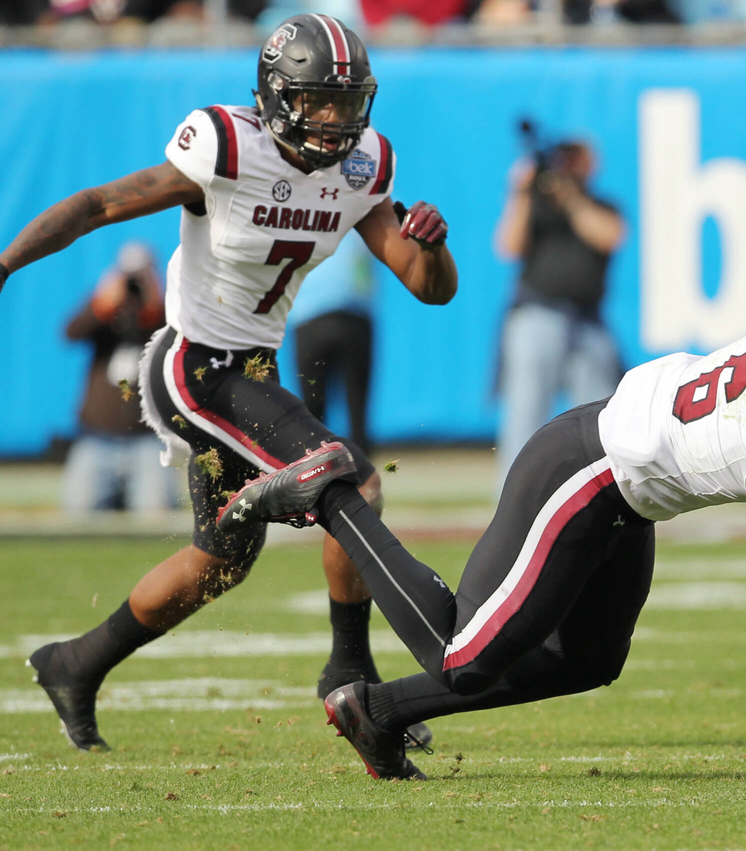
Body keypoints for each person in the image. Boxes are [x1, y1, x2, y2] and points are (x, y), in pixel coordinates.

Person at [217, 286, 746, 781]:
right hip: (586, 471)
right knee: (465, 656)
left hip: (630, 487)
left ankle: (379, 711)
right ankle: (335, 496)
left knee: (589, 659)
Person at [0, 13, 457, 751]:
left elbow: (428, 287)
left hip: (254, 369)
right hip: (193, 366)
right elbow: (97, 205)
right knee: (353, 481)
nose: (335, 119)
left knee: (221, 562)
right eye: (317, 100)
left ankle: (75, 664)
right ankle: (350, 674)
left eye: (347, 102)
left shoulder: (364, 166)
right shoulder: (226, 145)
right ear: (277, 96)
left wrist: (431, 246)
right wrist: (3, 265)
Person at [493, 137, 625, 492]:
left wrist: (569, 197)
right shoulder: (535, 205)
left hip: (588, 322)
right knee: (526, 414)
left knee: (601, 414)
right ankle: (517, 496)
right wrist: (520, 192)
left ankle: (606, 491)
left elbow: (609, 236)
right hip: (537, 316)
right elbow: (508, 247)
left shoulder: (601, 206)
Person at [62, 241, 176, 513]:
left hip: (148, 441)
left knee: (157, 517)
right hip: (97, 438)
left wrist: (154, 304)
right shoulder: (104, 310)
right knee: (79, 514)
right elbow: (71, 333)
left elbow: (175, 340)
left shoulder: (166, 311)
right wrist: (103, 304)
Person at [291, 236, 376, 454]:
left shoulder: (298, 222)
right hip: (352, 316)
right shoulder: (361, 220)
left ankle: (316, 467)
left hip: (311, 319)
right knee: (356, 408)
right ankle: (362, 470)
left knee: (312, 414)